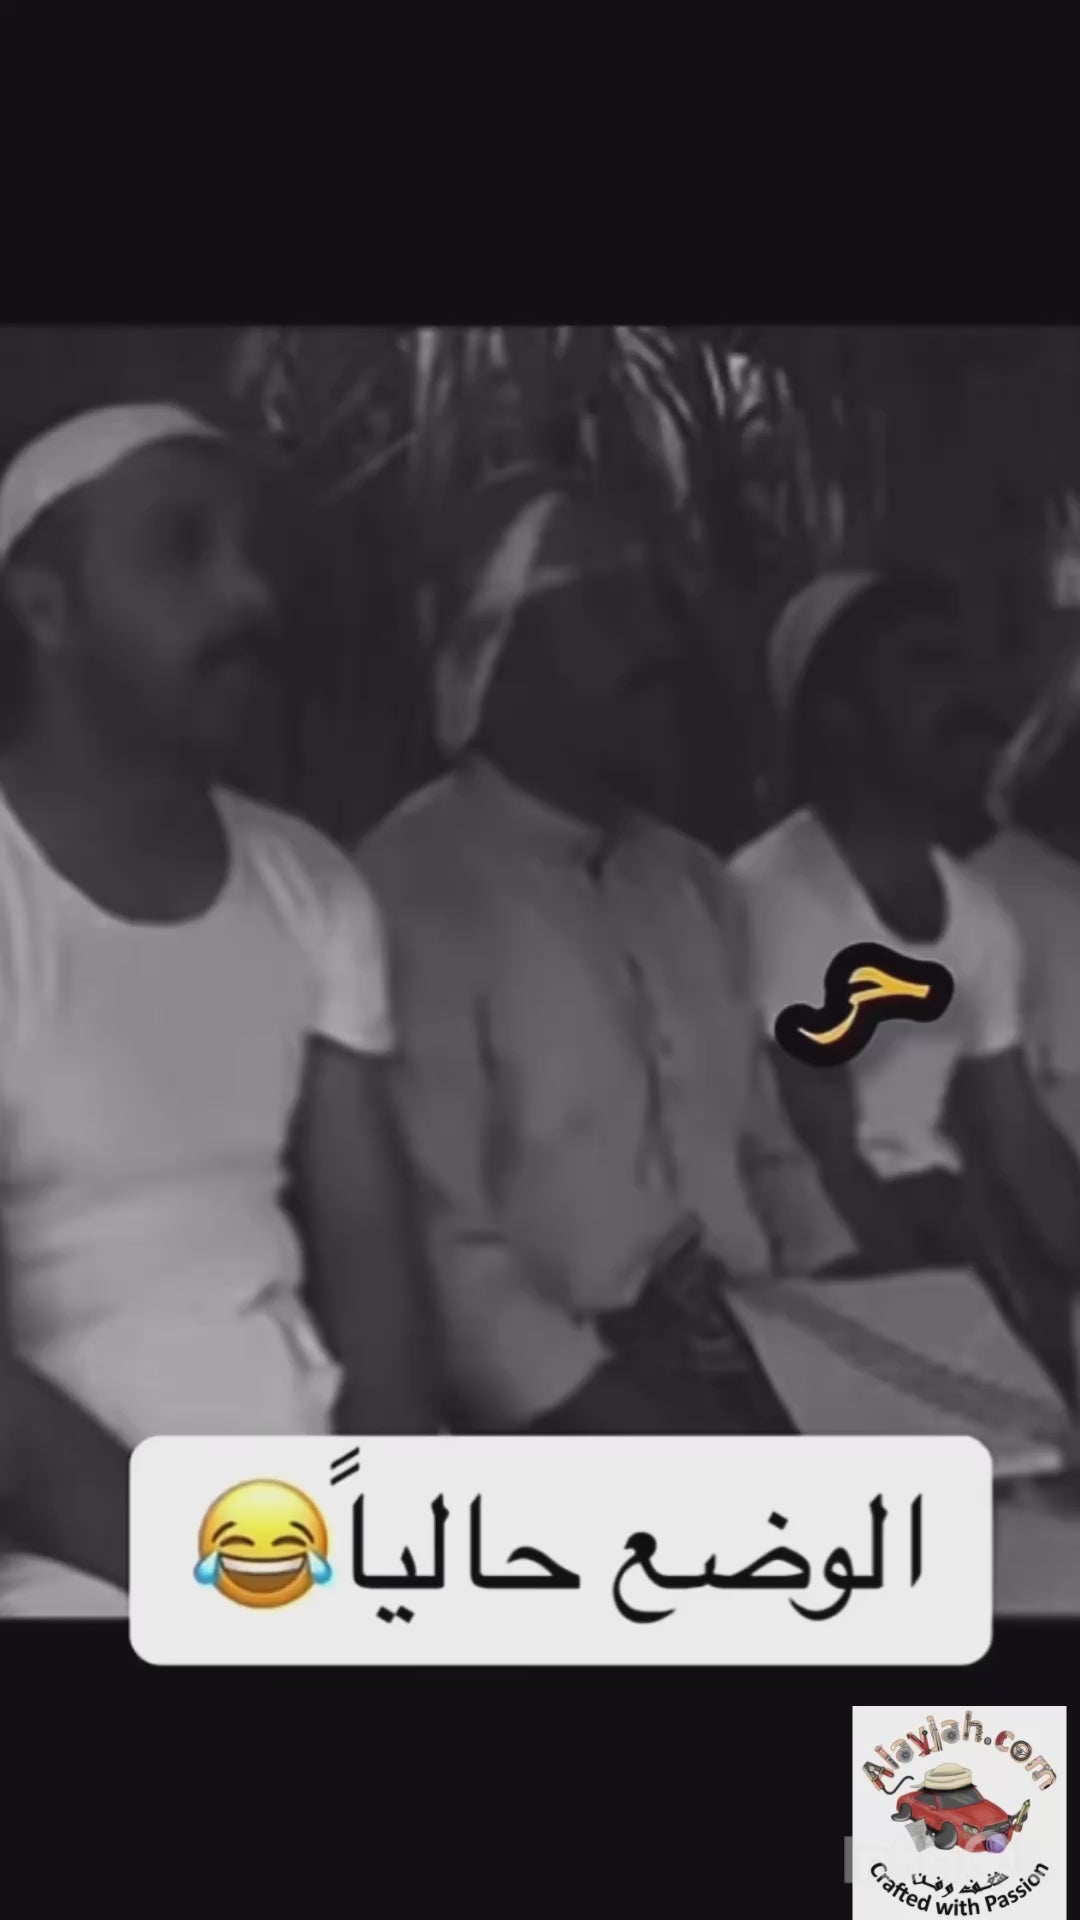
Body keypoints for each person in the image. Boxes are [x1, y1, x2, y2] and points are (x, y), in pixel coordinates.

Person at [0, 401, 436, 1617]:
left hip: (311, 1514)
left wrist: (395, 1552)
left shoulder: (311, 888)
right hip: (66, 1556)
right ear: (46, 608)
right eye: (181, 548)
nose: (249, 594)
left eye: (251, 551)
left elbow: (376, 1272)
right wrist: (250, 1595)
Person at [357, 470, 846, 1437]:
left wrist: (872, 1350)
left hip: (764, 1367)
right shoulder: (408, 893)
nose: (658, 644)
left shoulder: (693, 882)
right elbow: (439, 1251)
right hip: (557, 1415)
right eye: (609, 610)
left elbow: (770, 1158)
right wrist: (641, 1426)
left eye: (654, 606)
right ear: (496, 657)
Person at [729, 569, 1080, 1406]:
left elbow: (1017, 1138)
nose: (963, 694)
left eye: (958, 662)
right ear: (836, 716)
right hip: (827, 1286)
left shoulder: (978, 915)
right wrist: (958, 1331)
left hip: (948, 1262)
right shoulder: (771, 896)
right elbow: (820, 1159)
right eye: (924, 665)